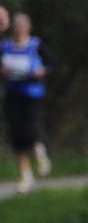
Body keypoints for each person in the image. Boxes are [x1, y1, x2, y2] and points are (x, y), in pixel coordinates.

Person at [1, 11, 52, 193]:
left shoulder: (36, 45)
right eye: (16, 25)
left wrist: (41, 71)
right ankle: (25, 175)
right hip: (12, 93)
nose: (18, 28)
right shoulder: (4, 46)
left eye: (22, 25)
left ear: (29, 27)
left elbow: (50, 63)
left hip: (32, 94)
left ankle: (39, 152)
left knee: (29, 130)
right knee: (16, 134)